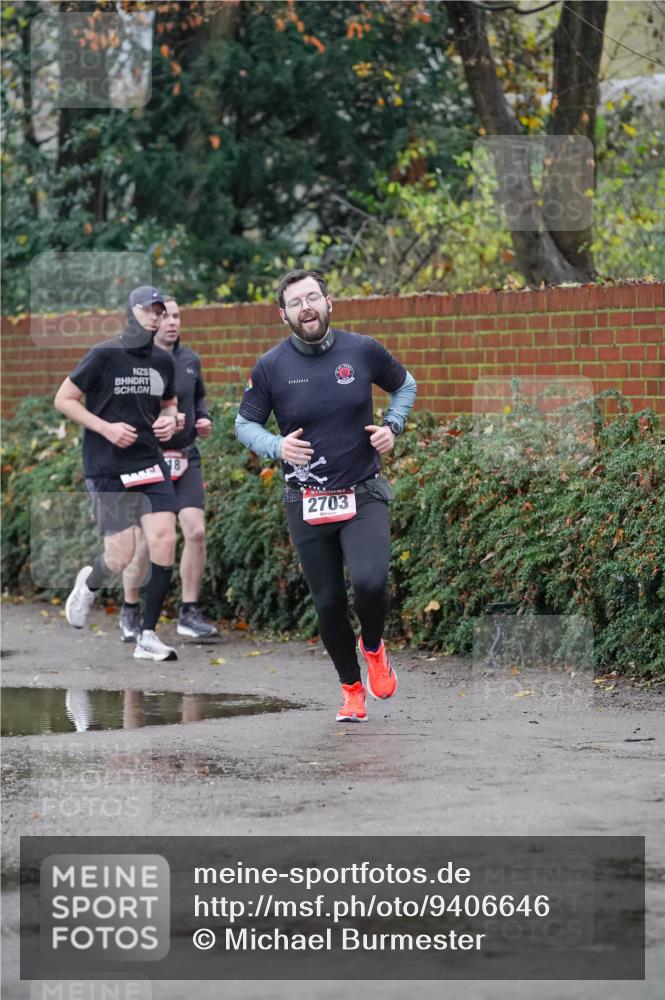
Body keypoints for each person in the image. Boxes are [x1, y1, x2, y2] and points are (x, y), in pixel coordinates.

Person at [235, 269, 417, 723]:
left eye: (312, 297)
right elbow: (244, 424)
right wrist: (277, 446)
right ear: (283, 314)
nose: (306, 307)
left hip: (363, 490)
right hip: (306, 499)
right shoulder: (271, 366)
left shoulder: (362, 350)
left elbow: (405, 385)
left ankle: (372, 645)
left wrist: (392, 426)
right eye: (296, 302)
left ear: (329, 302)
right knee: (329, 602)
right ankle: (351, 690)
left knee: (371, 583)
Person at [54, 285, 180, 661]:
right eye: (149, 310)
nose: (155, 317)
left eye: (160, 311)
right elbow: (64, 399)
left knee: (164, 540)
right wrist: (105, 428)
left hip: (148, 460)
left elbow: (170, 404)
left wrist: (170, 420)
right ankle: (89, 584)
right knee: (121, 554)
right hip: (107, 465)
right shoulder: (104, 355)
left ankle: (147, 635)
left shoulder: (163, 361)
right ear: (132, 312)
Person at [118, 296, 217, 641]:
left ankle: (189, 611)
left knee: (196, 531)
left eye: (177, 316)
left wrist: (203, 418)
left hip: (185, 457)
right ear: (152, 321)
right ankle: (131, 609)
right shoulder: (135, 363)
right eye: (165, 316)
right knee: (146, 542)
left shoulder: (190, 360)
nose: (172, 322)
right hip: (148, 461)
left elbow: (198, 398)